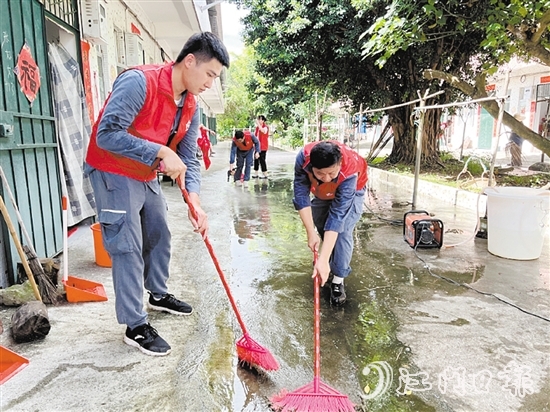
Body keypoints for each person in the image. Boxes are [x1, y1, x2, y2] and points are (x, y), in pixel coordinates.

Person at [84, 32, 230, 356]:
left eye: (215, 78)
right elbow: (106, 134)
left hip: (145, 172)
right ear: (189, 61)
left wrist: (195, 201)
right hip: (111, 169)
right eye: (209, 74)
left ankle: (158, 294)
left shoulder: (189, 103)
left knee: (159, 233)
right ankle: (135, 326)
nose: (210, 83)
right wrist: (161, 150)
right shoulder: (140, 82)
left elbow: (189, 157)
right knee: (128, 246)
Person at [293, 140, 368, 305]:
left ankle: (338, 279)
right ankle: (326, 262)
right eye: (320, 174)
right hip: (322, 192)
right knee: (320, 222)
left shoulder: (349, 171)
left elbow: (337, 217)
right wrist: (310, 233)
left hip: (352, 191)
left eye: (331, 173)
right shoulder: (302, 158)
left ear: (339, 163)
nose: (326, 178)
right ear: (311, 166)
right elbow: (301, 196)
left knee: (341, 231)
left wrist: (324, 258)